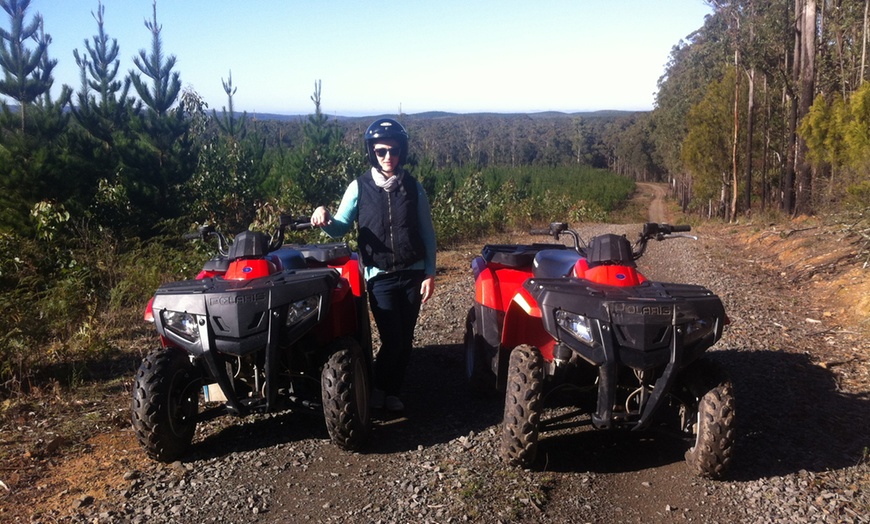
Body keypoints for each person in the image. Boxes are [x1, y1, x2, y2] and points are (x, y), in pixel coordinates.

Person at [311, 118, 436, 412]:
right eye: (381, 151)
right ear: (372, 152)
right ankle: (375, 388)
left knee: (405, 340)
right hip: (379, 276)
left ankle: (390, 392)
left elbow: (427, 232)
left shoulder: (413, 187)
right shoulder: (359, 187)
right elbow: (340, 226)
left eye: (393, 151)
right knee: (392, 339)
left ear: (402, 151)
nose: (388, 157)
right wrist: (323, 217)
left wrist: (430, 272)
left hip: (413, 272)